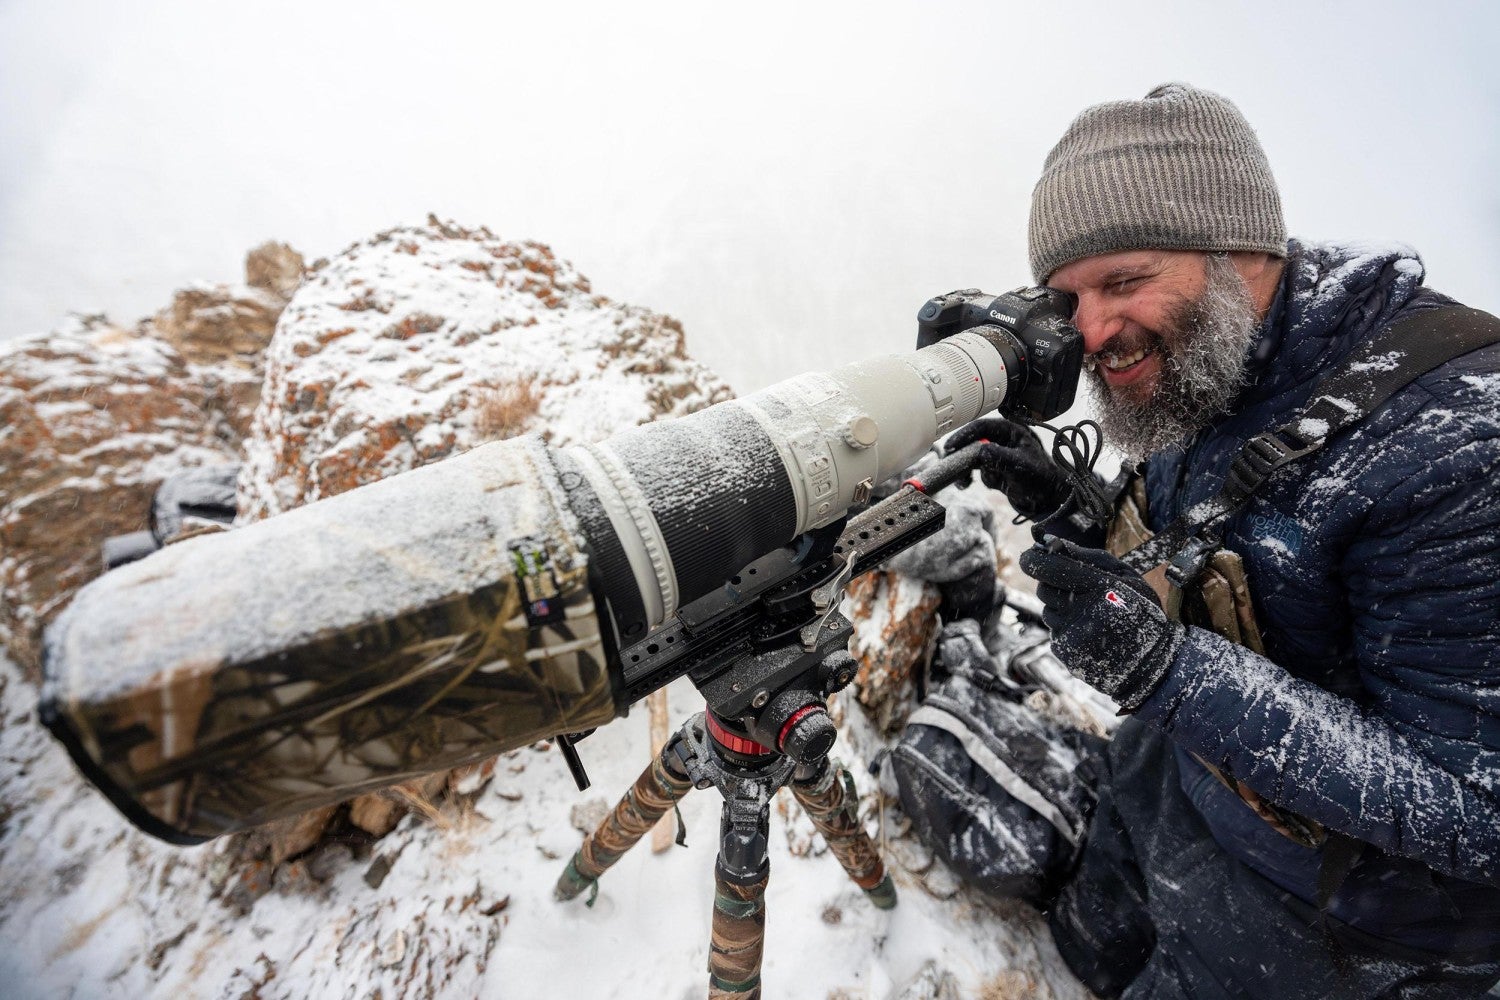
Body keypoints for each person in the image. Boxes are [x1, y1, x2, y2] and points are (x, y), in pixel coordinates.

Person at [916, 83, 1500, 998]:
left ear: (1241, 249)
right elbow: (1223, 545)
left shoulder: (1455, 443)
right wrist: (1073, 505)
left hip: (1336, 921)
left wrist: (1166, 672)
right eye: (1068, 297)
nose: (1090, 332)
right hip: (1176, 778)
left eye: (1124, 281)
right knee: (1087, 941)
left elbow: (1476, 806)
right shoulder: (1209, 359)